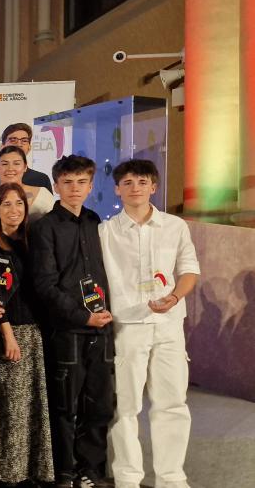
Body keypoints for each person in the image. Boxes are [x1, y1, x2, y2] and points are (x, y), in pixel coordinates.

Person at [100, 160, 199, 488]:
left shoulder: (175, 226)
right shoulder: (105, 231)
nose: (135, 188)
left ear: (154, 187)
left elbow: (189, 269)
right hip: (127, 325)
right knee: (125, 406)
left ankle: (172, 478)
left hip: (169, 324)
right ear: (117, 189)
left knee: (172, 403)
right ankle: (128, 478)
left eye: (142, 181)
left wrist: (174, 297)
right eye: (127, 182)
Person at [29, 156, 113, 488]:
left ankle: (90, 469)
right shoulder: (44, 227)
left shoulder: (96, 222)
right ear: (56, 186)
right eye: (67, 182)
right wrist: (83, 316)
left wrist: (102, 317)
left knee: (100, 404)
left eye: (81, 182)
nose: (74, 188)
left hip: (102, 328)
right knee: (64, 406)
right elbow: (45, 284)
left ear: (91, 186)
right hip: (67, 330)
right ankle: (64, 470)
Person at [0, 183, 54, 486]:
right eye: (6, 204)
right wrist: (8, 334)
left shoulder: (29, 242)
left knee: (30, 408)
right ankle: (4, 471)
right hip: (5, 333)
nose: (14, 210)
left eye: (19, 204)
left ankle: (27, 470)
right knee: (7, 409)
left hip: (32, 333)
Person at [0, 146, 55, 229]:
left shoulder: (42, 194)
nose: (10, 168)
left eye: (16, 163)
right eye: (5, 164)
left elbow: (55, 227)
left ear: (25, 167)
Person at [0, 123, 53, 192]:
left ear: (29, 147)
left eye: (24, 140)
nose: (19, 144)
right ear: (2, 146)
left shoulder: (41, 179)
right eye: (13, 140)